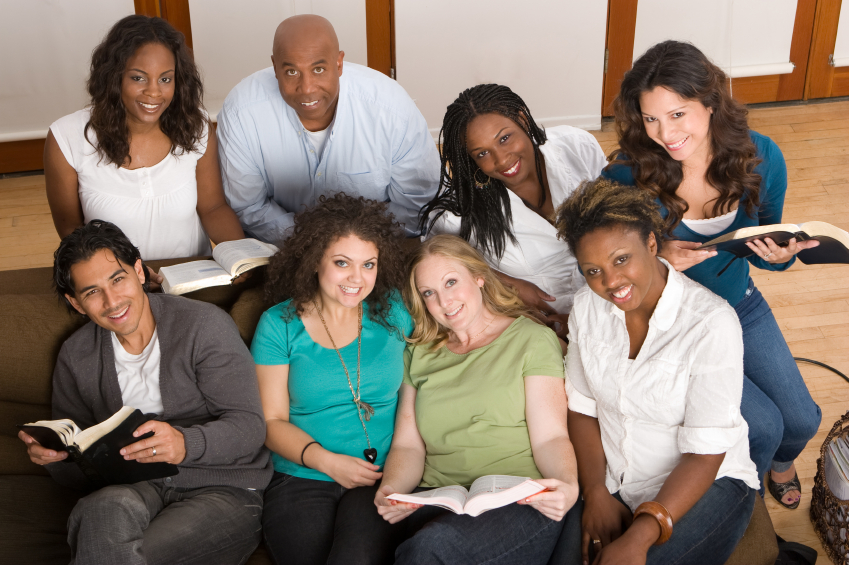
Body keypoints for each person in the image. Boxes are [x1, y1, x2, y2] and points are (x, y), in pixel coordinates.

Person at [601, 40, 821, 509]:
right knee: (762, 426)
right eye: (651, 118)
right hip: (676, 321)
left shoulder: (761, 157)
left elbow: (762, 243)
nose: (665, 133)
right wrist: (657, 264)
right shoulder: (626, 173)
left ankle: (780, 464)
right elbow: (603, 261)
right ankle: (748, 495)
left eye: (678, 114)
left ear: (711, 103)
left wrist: (776, 258)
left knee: (801, 420)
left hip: (738, 302)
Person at [17, 220, 272, 565]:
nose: (111, 302)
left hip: (223, 487)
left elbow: (249, 428)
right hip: (134, 487)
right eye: (92, 292)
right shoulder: (77, 356)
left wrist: (184, 443)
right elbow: (81, 468)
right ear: (76, 303)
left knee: (137, 555)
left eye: (118, 279)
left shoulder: (203, 326)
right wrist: (57, 460)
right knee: (98, 511)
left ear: (139, 272)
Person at [555, 178, 760, 565]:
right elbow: (582, 408)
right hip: (614, 480)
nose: (611, 282)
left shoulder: (711, 323)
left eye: (620, 259)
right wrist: (596, 491)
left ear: (651, 243)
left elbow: (705, 454)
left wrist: (641, 535)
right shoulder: (586, 307)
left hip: (706, 485)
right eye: (592, 270)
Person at [374, 234, 581, 565]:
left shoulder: (531, 339)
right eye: (429, 293)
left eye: (451, 282)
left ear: (479, 277)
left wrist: (567, 486)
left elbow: (551, 437)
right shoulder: (418, 353)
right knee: (420, 541)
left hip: (518, 501)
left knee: (431, 548)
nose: (444, 301)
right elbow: (408, 446)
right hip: (439, 501)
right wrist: (392, 491)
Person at [251, 193, 413, 565]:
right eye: (342, 263)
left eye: (368, 264)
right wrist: (326, 461)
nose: (357, 278)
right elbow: (271, 422)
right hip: (302, 475)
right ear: (314, 261)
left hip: (381, 474)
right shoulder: (279, 324)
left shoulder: (394, 310)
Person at [217, 14, 440, 243]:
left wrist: (352, 247)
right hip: (281, 251)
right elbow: (249, 207)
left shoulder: (392, 109)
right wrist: (314, 245)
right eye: (292, 72)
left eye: (319, 69)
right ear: (275, 67)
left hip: (378, 249)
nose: (307, 89)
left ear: (339, 63)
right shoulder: (241, 113)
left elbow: (417, 202)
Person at [45, 15, 245, 263]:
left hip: (192, 278)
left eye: (165, 79)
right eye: (138, 78)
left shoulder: (195, 125)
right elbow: (71, 231)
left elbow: (213, 208)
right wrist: (128, 274)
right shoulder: (66, 137)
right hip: (119, 283)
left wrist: (242, 256)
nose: (153, 92)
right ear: (113, 77)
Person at [421, 84, 607, 341]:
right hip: (543, 328)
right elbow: (432, 261)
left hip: (612, 298)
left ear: (521, 119)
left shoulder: (576, 147)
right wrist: (505, 283)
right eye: (482, 153)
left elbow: (619, 212)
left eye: (504, 138)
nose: (501, 159)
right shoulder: (458, 216)